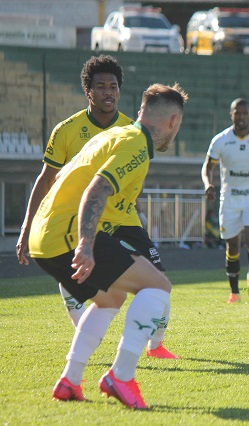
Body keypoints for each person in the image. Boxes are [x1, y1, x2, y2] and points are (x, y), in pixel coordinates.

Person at [28, 82, 188, 409]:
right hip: (67, 234)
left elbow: (67, 179)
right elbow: (97, 189)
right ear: (173, 121)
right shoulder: (135, 145)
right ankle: (122, 375)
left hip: (44, 236)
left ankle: (70, 380)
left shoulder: (116, 135)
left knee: (111, 298)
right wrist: (85, 244)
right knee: (158, 287)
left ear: (141, 111)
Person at [15, 55, 177, 359]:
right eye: (101, 86)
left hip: (122, 218)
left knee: (157, 277)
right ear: (88, 92)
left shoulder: (134, 128)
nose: (108, 92)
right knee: (115, 289)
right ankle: (112, 362)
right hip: (78, 223)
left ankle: (155, 346)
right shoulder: (67, 130)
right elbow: (48, 179)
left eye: (113, 86)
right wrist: (27, 227)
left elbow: (134, 181)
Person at [202, 98, 249, 304]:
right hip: (230, 198)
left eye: (245, 113)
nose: (241, 117)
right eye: (238, 113)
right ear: (231, 115)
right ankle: (234, 292)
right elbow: (208, 167)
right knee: (233, 248)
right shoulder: (221, 140)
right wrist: (208, 184)